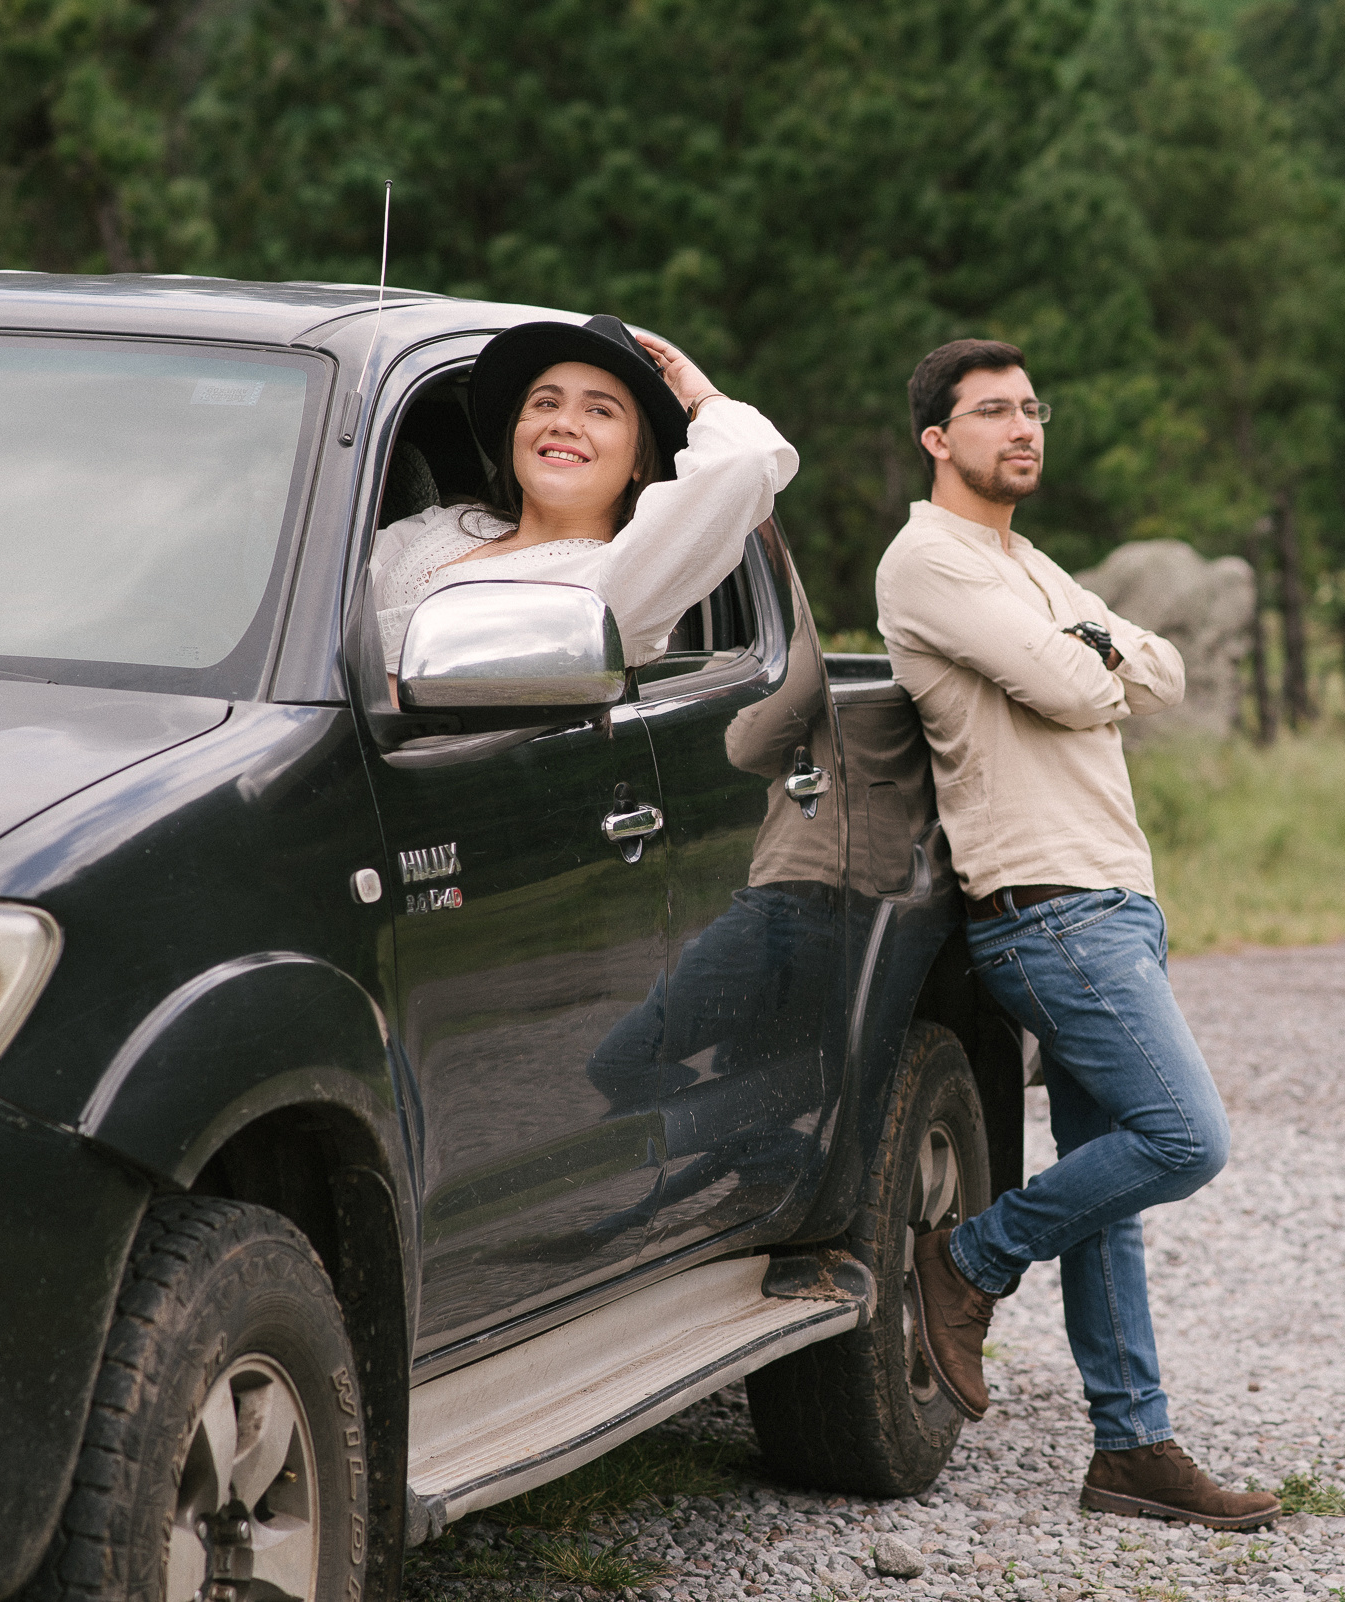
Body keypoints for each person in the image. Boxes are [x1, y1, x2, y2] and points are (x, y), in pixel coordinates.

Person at [874, 339, 1280, 1531]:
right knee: (1186, 1136)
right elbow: (1078, 689)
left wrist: (1097, 652)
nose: (1024, 428)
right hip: (1046, 908)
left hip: (1112, 899)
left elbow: (1162, 670)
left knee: (1115, 1194)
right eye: (993, 411)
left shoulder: (1029, 562)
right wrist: (1099, 657)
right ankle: (970, 1259)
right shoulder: (928, 563)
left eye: (1034, 408)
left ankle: (1132, 1448)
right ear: (938, 439)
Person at [370, 315, 796, 680]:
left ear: (638, 462)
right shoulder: (446, 524)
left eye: (600, 410)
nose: (564, 423)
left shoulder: (617, 582)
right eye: (546, 402)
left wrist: (702, 397)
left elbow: (749, 459)